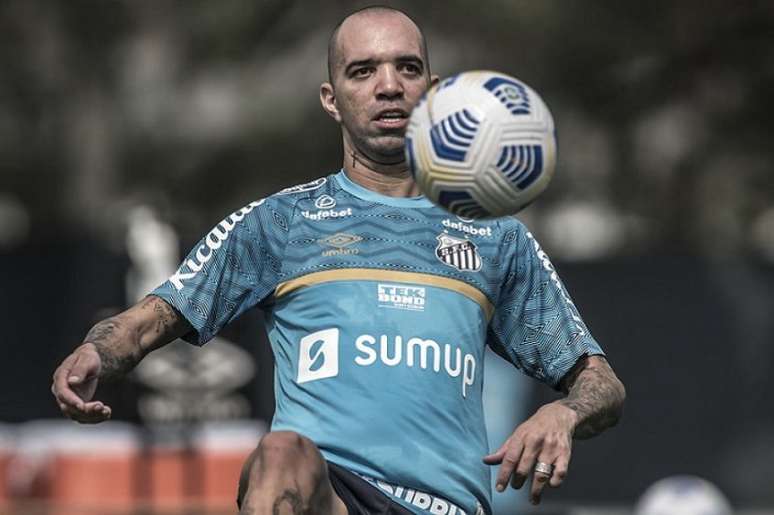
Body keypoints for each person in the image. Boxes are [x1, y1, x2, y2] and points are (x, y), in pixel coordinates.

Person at [51, 6, 626, 515]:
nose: (388, 86)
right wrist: (97, 350)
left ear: (433, 88)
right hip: (333, 495)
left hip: (447, 506)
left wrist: (565, 415)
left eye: (407, 68)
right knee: (281, 456)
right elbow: (155, 316)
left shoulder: (497, 236)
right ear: (332, 99)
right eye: (363, 70)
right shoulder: (280, 223)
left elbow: (602, 384)